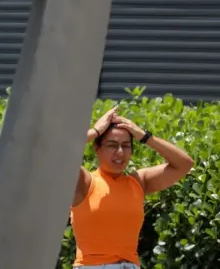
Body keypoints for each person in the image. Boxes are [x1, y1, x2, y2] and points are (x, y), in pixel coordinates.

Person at [70, 106, 194, 269]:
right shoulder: (85, 182)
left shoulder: (138, 182)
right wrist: (96, 130)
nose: (120, 152)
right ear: (97, 149)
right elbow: (60, 153)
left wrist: (144, 136)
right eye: (112, 145)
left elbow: (184, 164)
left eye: (126, 145)